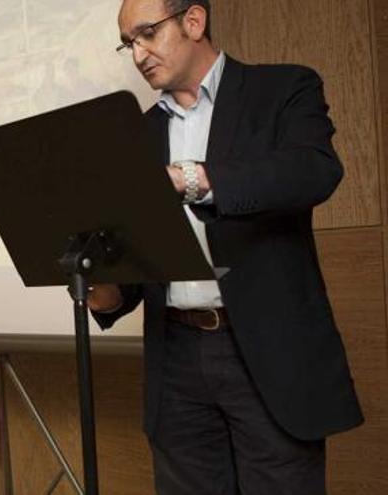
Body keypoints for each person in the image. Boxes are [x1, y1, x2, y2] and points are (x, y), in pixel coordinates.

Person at [87, 1, 364, 494]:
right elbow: (132, 276)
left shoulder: (283, 89)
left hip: (265, 352)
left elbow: (314, 171)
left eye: (147, 34)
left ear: (193, 21)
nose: (138, 54)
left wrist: (189, 178)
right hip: (174, 360)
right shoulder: (138, 134)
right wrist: (96, 277)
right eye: (129, 43)